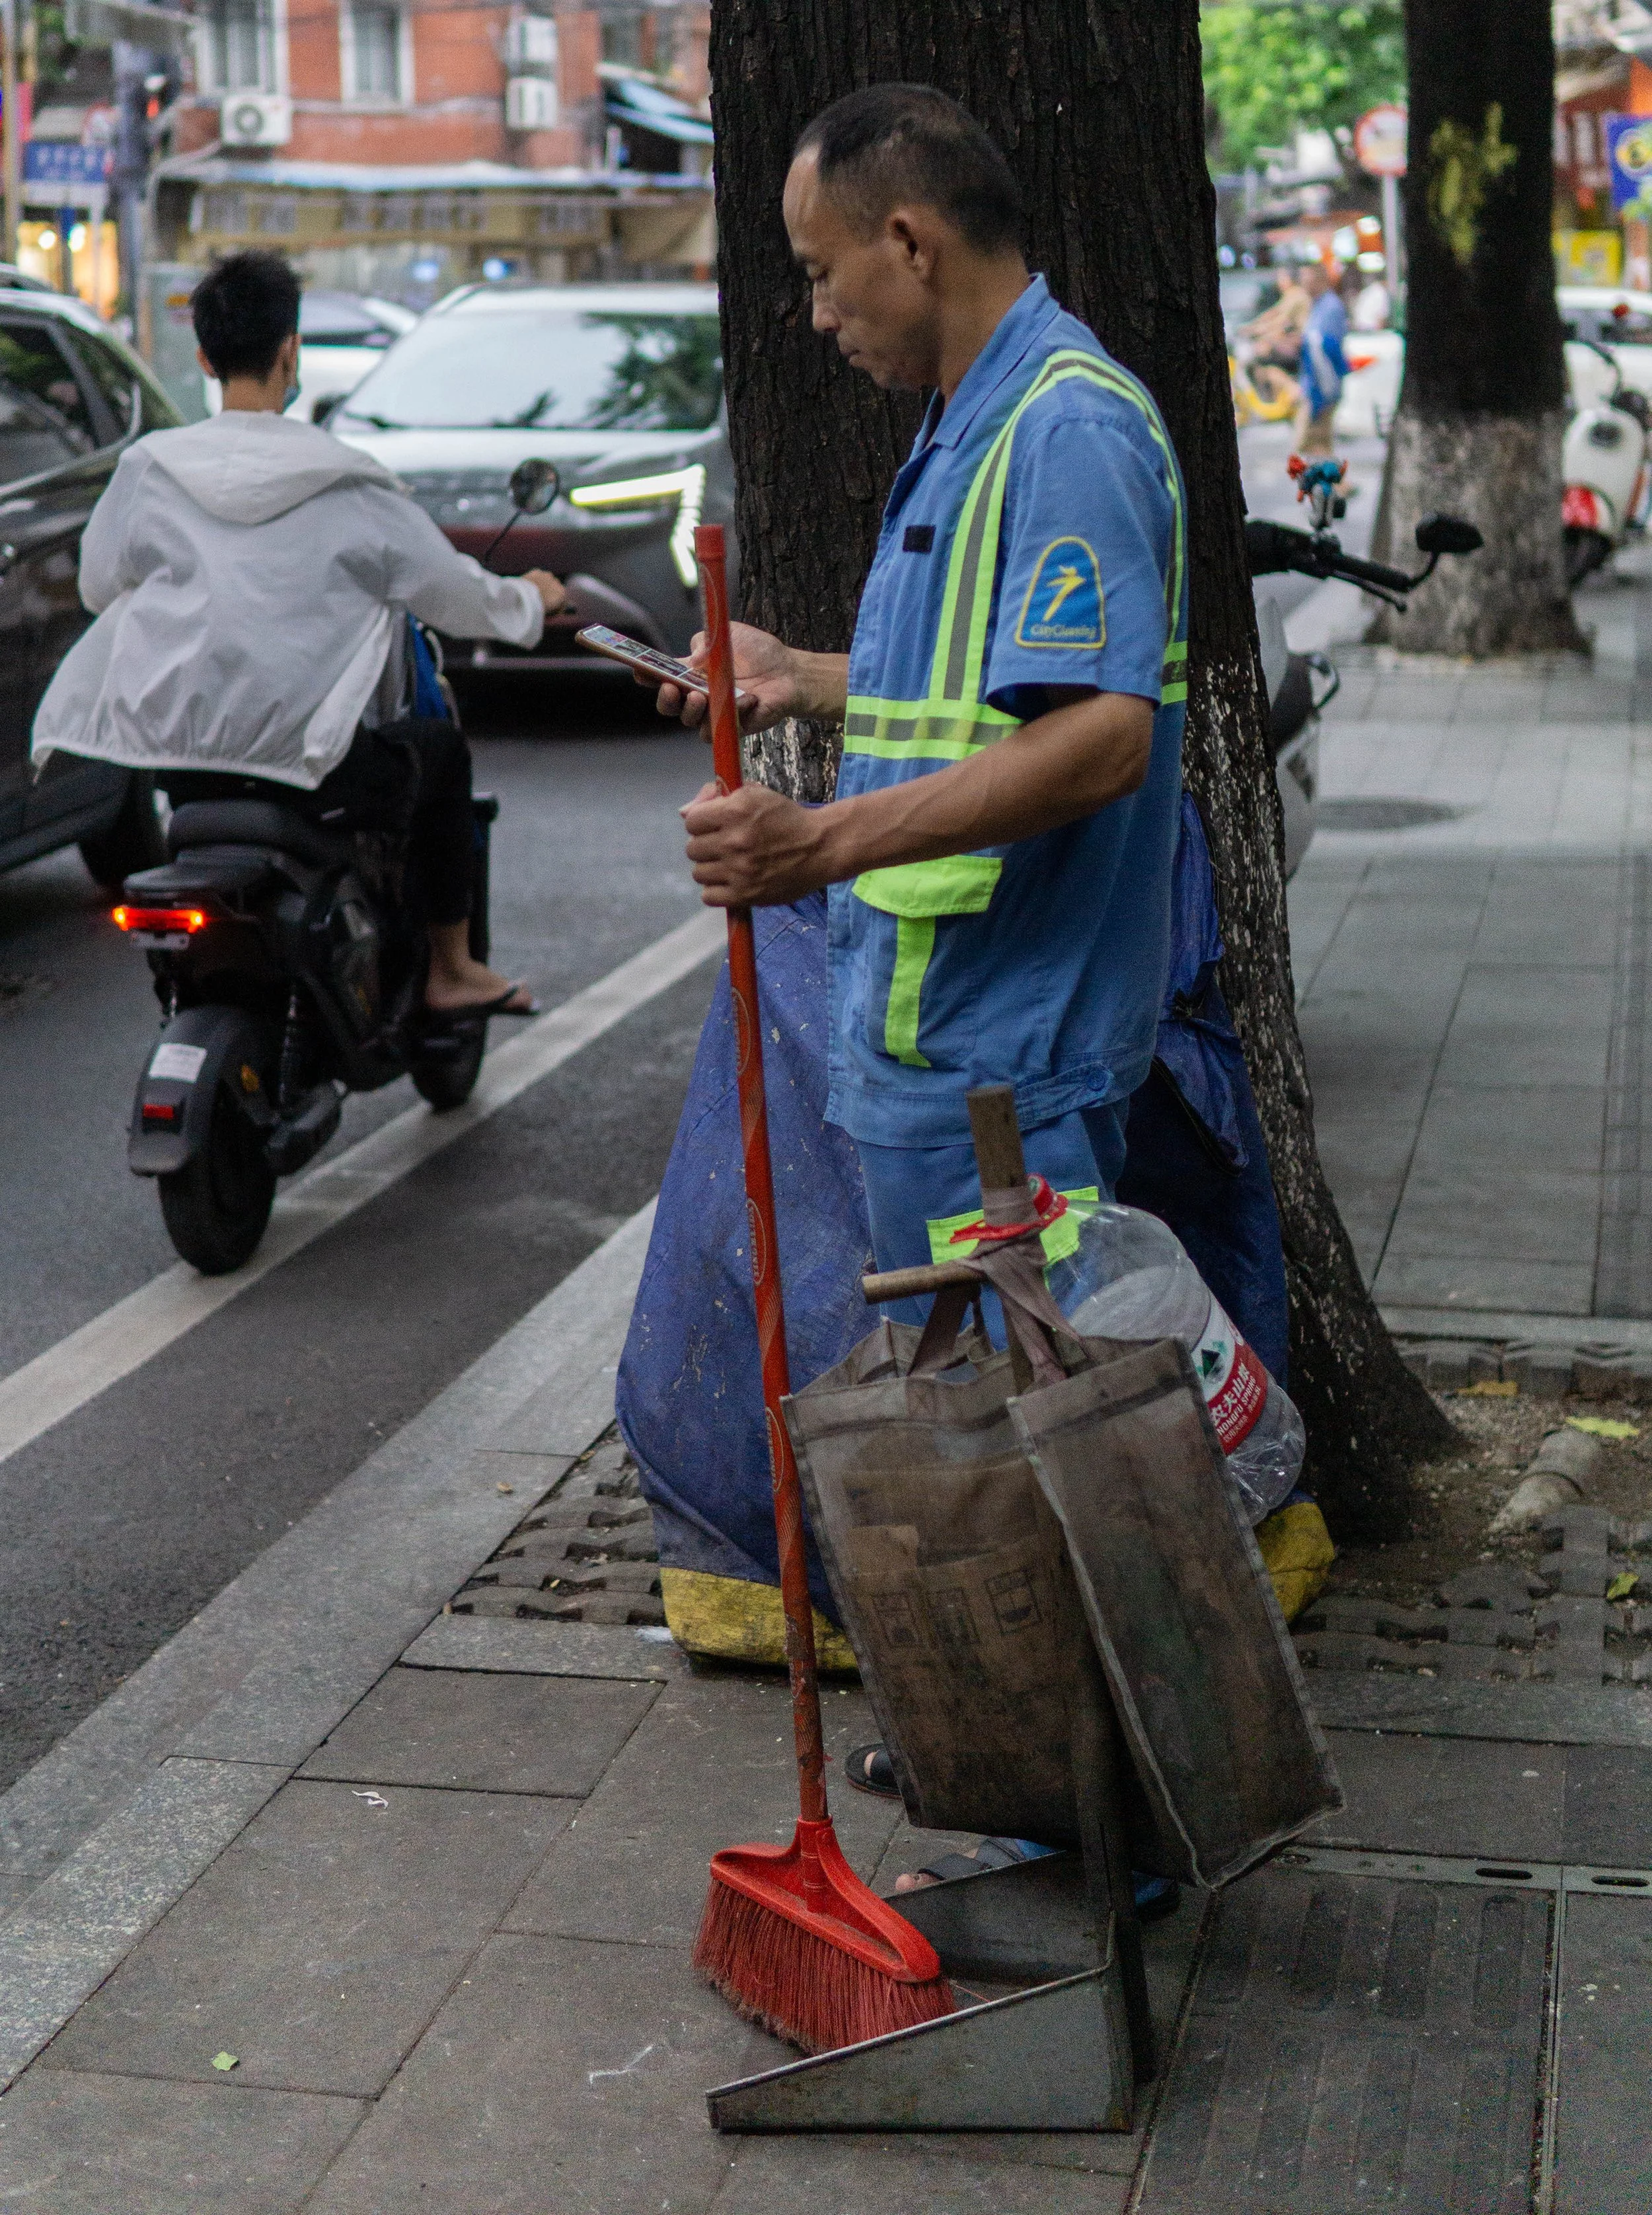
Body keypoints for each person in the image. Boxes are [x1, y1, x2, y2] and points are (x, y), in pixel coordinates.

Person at [650, 85, 1187, 1903]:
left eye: (822, 275)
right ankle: (1034, 1777)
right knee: (984, 1457)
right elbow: (969, 703)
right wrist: (801, 672)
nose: (816, 315)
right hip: (934, 1051)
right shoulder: (972, 420)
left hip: (1002, 1070)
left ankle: (1100, 1839)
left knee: (1043, 1458)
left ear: (909, 239)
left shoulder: (1068, 426)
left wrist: (815, 843)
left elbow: (1097, 739)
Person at [31, 250, 566, 1016]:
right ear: (291, 351)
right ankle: (451, 968)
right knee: (441, 754)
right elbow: (451, 593)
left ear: (205, 357)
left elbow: (97, 587)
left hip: (183, 768)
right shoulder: (347, 479)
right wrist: (529, 601)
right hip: (316, 772)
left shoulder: (149, 470)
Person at [1293, 261, 1349, 457]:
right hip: (1315, 386)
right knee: (1319, 443)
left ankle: (1331, 474)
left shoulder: (1330, 308)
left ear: (1320, 281)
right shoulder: (1317, 306)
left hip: (1321, 388)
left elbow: (1323, 351)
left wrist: (1323, 393)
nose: (1303, 286)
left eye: (1307, 281)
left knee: (1308, 441)